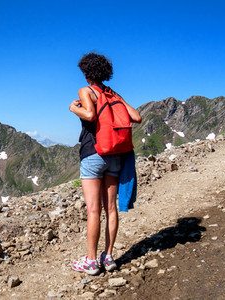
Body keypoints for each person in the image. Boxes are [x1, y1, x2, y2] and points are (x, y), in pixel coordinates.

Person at [68, 52, 142, 275]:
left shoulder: (86, 91)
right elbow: (136, 117)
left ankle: (91, 261)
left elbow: (89, 115)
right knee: (110, 208)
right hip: (116, 155)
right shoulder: (113, 94)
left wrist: (73, 108)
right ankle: (108, 257)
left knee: (93, 209)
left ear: (86, 72)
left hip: (94, 154)